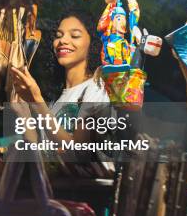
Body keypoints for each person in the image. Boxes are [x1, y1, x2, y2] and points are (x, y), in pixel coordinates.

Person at [10, 8, 111, 146]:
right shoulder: (56, 100)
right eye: (58, 35)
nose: (63, 40)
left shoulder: (98, 89)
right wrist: (24, 113)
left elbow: (79, 153)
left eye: (74, 36)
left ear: (92, 44)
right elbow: (44, 153)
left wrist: (37, 101)